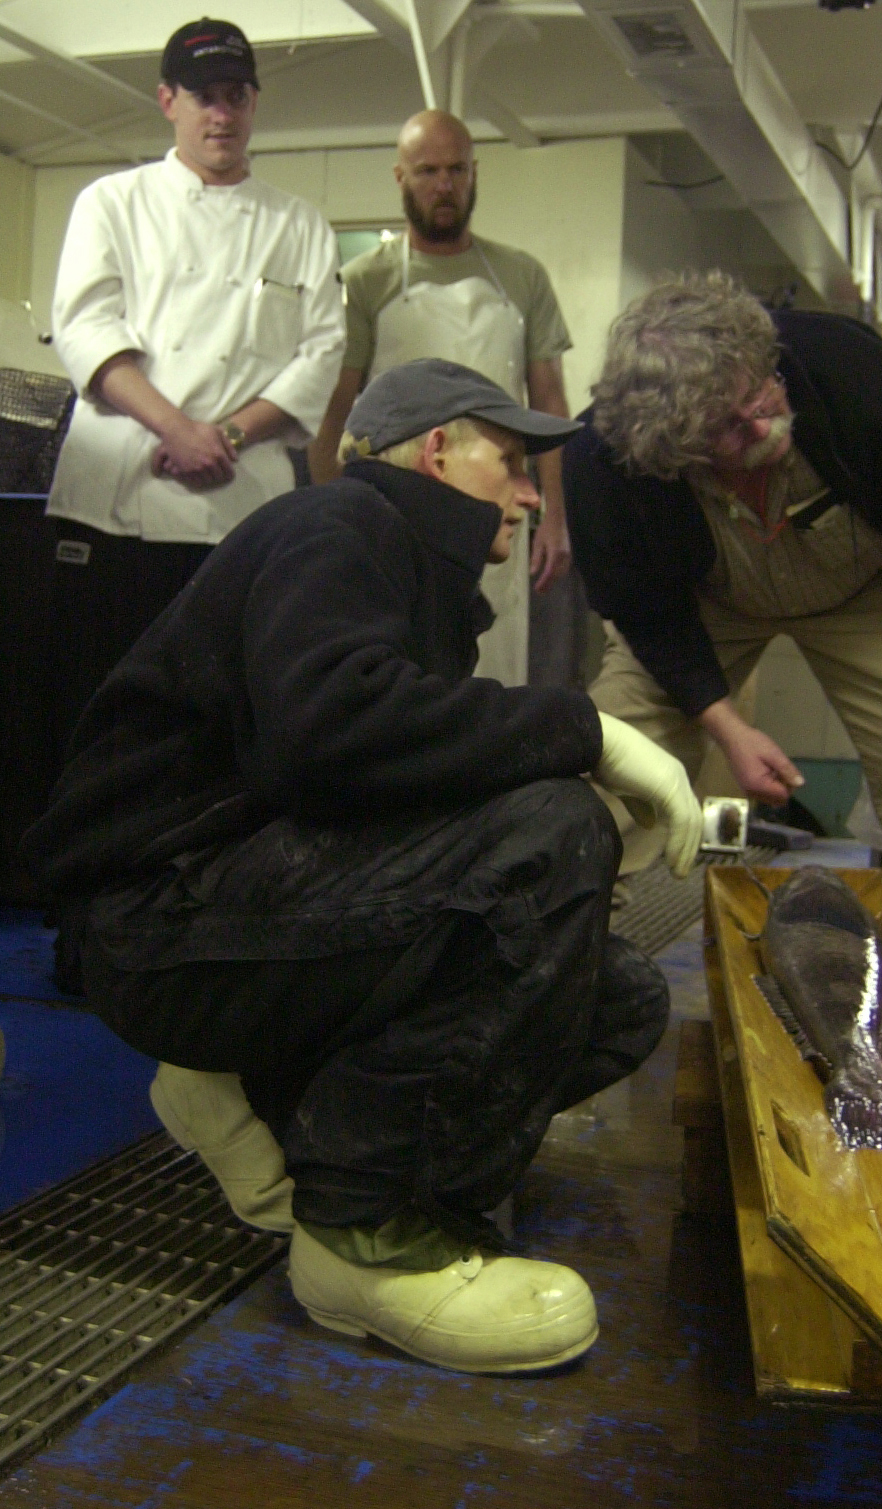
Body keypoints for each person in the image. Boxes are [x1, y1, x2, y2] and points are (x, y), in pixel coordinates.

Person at [22, 359, 701, 1375]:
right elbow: (326, 733)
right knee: (545, 836)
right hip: (159, 917)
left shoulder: (405, 574)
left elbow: (367, 788)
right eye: (510, 461)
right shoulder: (338, 527)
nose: (527, 492)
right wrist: (584, 733)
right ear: (437, 451)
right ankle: (367, 1240)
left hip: (224, 903)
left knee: (612, 1001)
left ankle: (246, 1097)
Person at [563, 272, 882, 1008]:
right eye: (729, 427)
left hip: (869, 588)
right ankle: (565, 959)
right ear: (673, 450)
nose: (763, 423)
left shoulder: (841, 370)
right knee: (615, 746)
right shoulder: (606, 461)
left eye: (761, 394)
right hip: (706, 601)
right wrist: (724, 723)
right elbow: (645, 612)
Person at [46, 17, 345, 759]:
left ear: (252, 104)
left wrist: (229, 436)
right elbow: (86, 329)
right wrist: (179, 432)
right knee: (95, 710)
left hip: (242, 512)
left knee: (223, 716)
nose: (221, 113)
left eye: (236, 95)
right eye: (203, 96)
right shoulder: (111, 202)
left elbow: (321, 355)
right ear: (166, 101)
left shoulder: (300, 224)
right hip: (119, 507)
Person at [308, 109, 574, 688]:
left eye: (456, 169)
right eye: (427, 170)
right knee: (402, 661)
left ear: (475, 173)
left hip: (494, 503)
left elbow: (550, 401)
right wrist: (326, 510)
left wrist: (555, 514)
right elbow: (335, 408)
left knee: (494, 670)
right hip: (396, 508)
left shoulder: (522, 276)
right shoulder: (364, 281)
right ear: (400, 178)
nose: (444, 185)